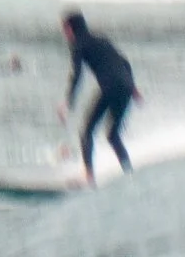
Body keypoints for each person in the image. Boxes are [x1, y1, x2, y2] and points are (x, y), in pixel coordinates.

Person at [58, 10, 138, 184]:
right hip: (126, 87)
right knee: (113, 135)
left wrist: (67, 102)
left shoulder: (77, 44)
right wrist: (134, 88)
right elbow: (124, 62)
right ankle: (129, 172)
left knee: (87, 133)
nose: (64, 34)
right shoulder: (102, 39)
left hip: (110, 87)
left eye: (64, 29)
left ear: (70, 28)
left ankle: (89, 177)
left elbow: (77, 74)